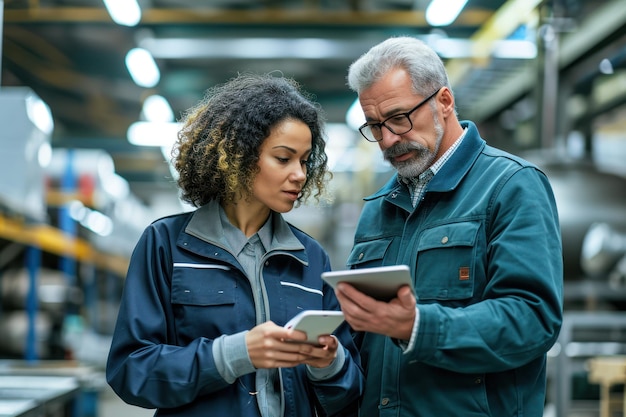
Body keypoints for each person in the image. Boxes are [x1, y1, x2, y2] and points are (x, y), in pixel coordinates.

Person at [106, 73, 363, 417]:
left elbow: (349, 392)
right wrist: (235, 354)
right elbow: (131, 371)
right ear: (239, 155)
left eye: (304, 160)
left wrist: (328, 363)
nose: (300, 174)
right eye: (284, 158)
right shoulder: (166, 245)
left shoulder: (311, 258)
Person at [334, 36, 563, 416]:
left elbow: (532, 318)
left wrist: (420, 328)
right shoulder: (378, 208)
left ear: (443, 102)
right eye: (374, 126)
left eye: (398, 118)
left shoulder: (510, 186)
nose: (388, 139)